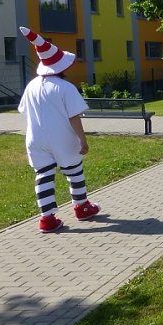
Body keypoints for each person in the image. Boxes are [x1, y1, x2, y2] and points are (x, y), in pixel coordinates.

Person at [17, 27, 102, 233]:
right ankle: (82, 207)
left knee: (43, 175)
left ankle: (46, 219)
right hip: (62, 137)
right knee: (74, 171)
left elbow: (24, 111)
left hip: (35, 138)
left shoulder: (31, 86)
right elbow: (74, 117)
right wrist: (83, 140)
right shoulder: (65, 88)